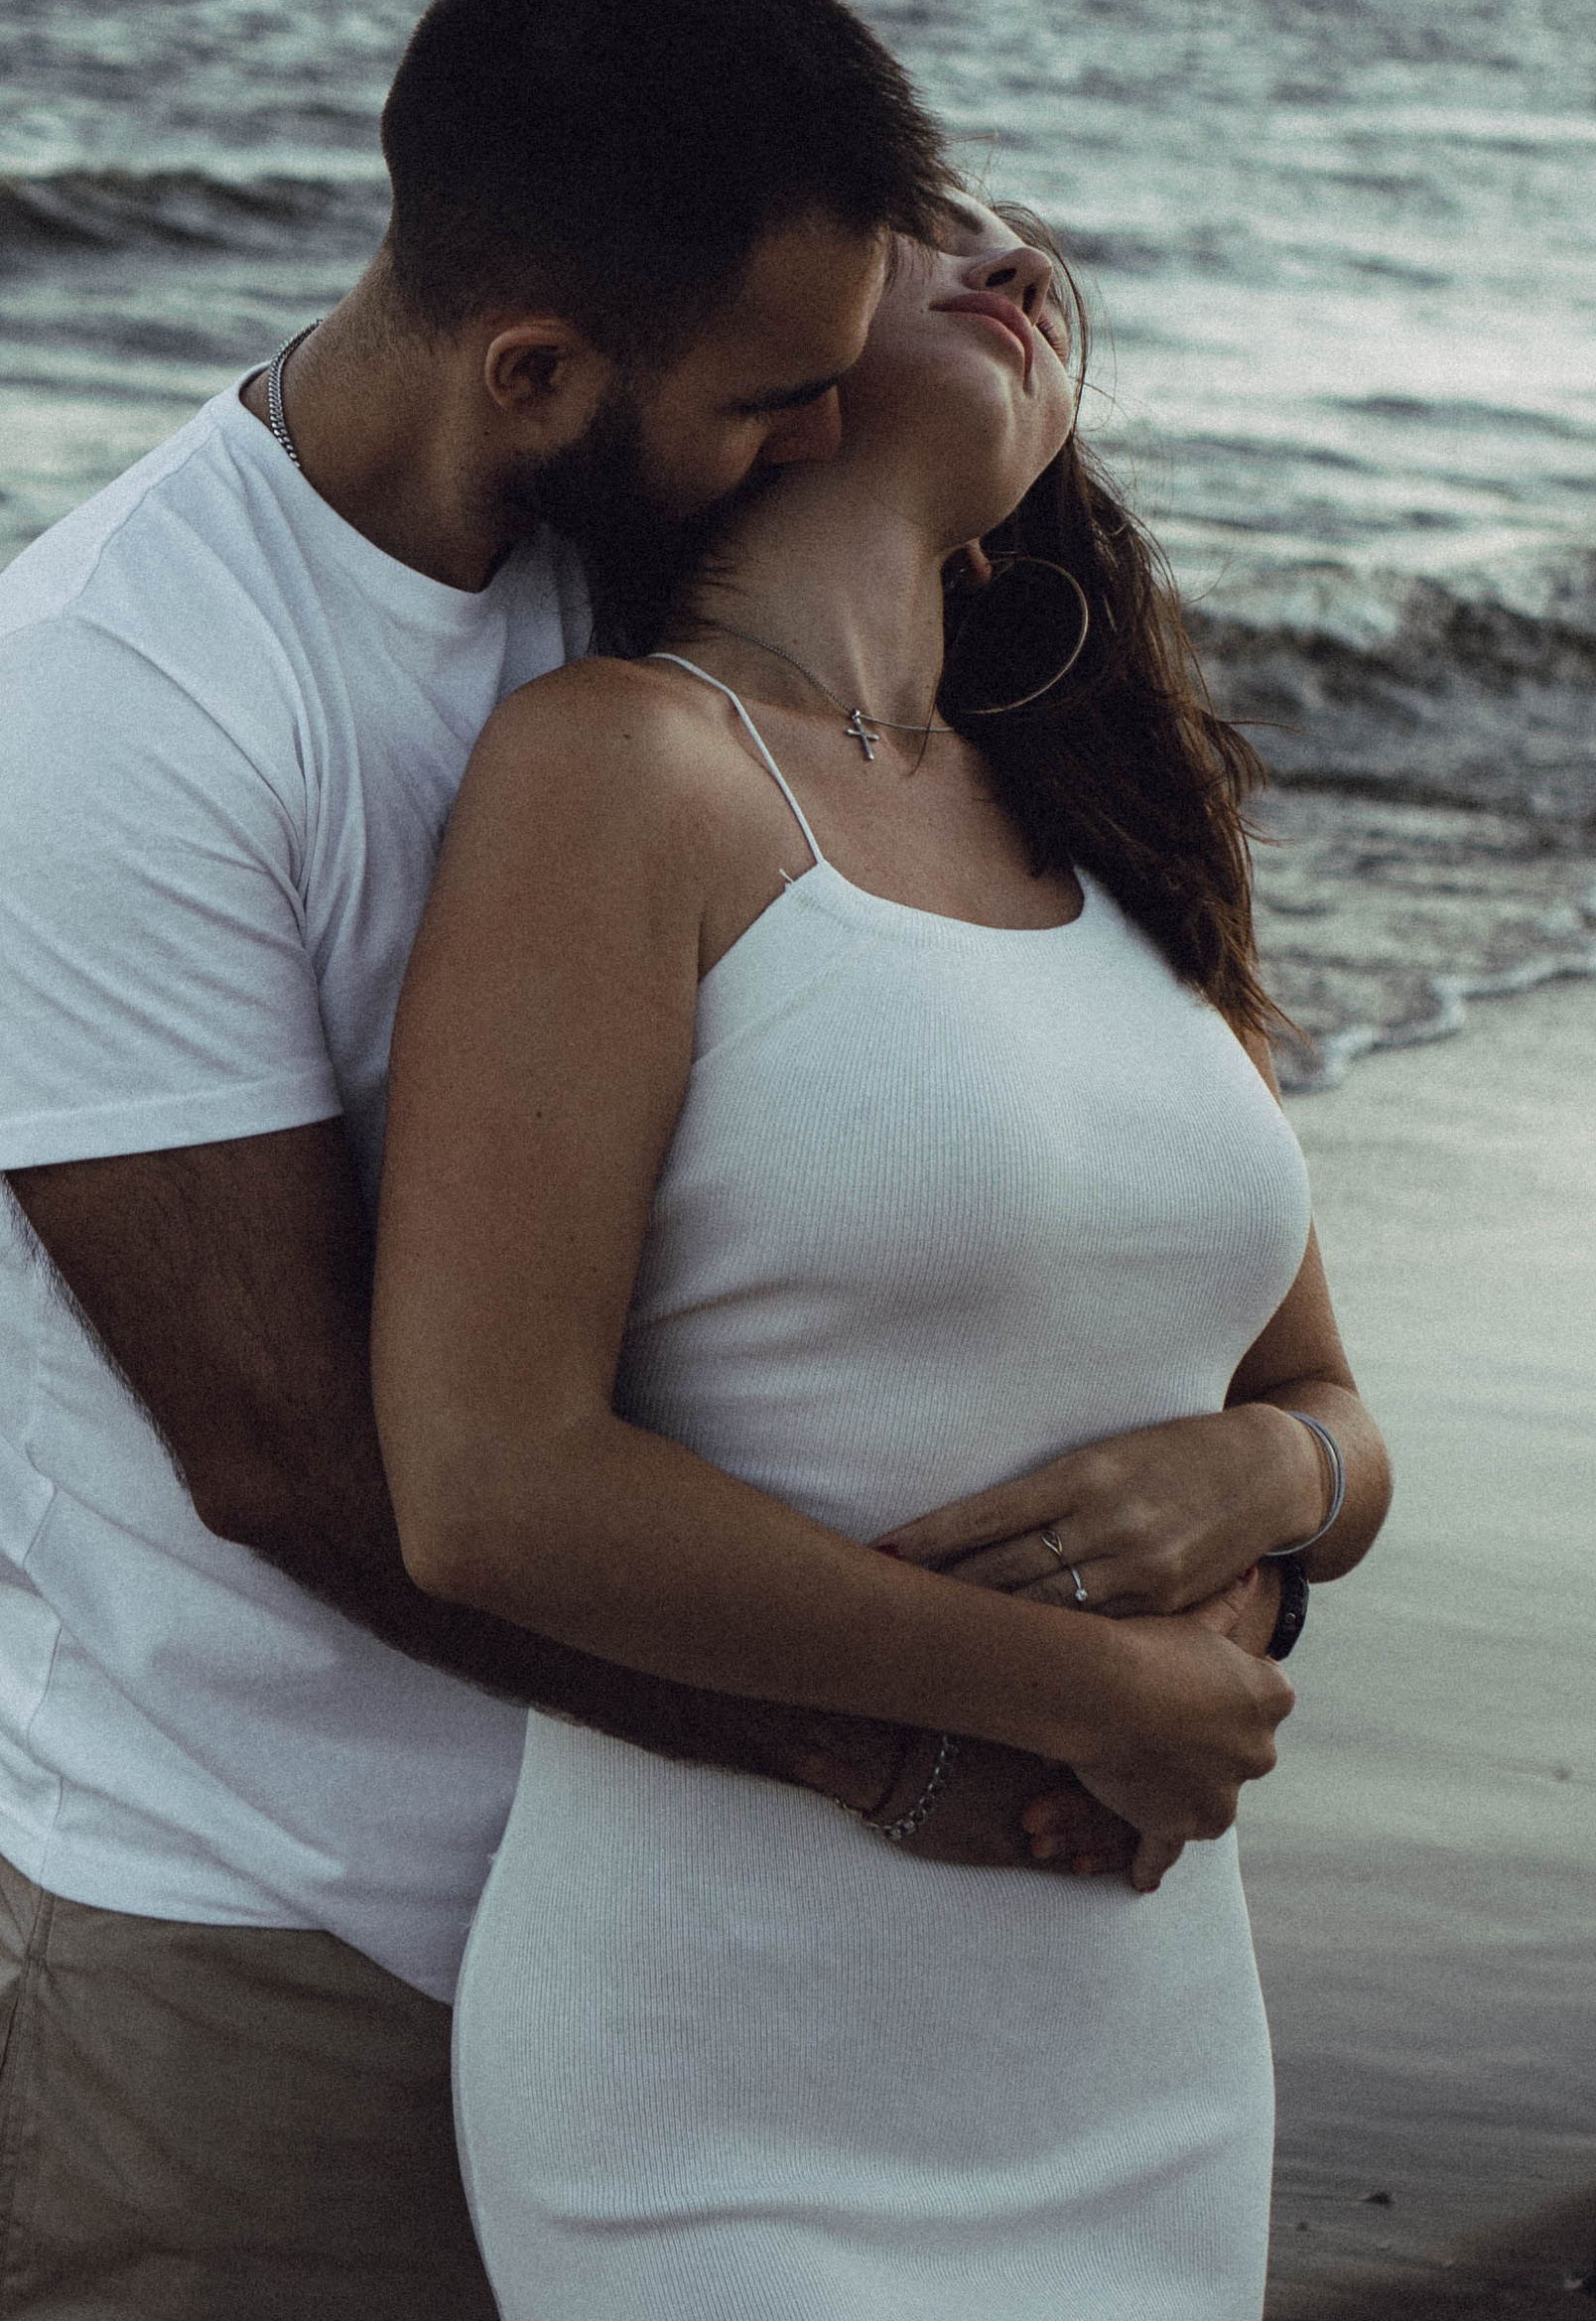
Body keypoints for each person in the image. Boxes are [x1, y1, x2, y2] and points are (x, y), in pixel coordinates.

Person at [0, 0, 1136, 2320]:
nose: (813, 441)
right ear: (535, 364)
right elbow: (291, 1459)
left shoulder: (615, 571)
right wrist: (889, 1745)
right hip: (244, 1966)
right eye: (777, 398)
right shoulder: (115, 704)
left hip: (644, 1914)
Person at [371, 199, 1393, 2321]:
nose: (997, 249)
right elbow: (488, 1484)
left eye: (1002, 225)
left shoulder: (1111, 837)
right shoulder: (616, 774)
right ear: (768, 362)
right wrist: (1093, 1685)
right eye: (912, 231)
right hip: (726, 2053)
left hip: (1139, 2042)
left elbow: (1318, 1404)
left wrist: (1270, 1490)